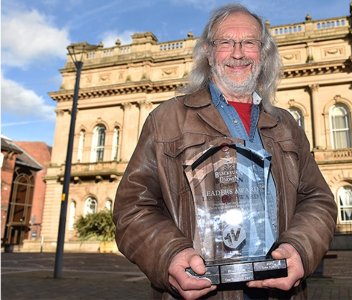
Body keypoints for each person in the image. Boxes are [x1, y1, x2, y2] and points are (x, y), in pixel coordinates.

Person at [113, 3, 337, 299]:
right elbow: (132, 208)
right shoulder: (166, 120)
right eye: (226, 42)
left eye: (249, 43)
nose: (238, 52)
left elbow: (318, 200)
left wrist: (299, 248)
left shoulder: (286, 125)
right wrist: (169, 254)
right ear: (208, 51)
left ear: (264, 52)